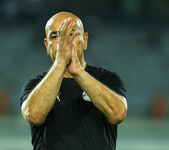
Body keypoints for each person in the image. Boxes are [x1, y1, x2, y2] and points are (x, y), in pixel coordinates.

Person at [20, 12, 128, 150]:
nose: (63, 43)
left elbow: (118, 114)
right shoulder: (35, 85)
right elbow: (34, 116)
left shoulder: (107, 79)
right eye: (55, 37)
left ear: (85, 40)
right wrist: (60, 63)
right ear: (47, 45)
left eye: (71, 34)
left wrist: (78, 73)